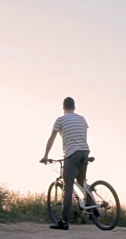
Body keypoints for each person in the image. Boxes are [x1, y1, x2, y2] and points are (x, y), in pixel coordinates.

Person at [40, 96, 90, 230]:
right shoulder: (82, 119)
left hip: (72, 154)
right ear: (74, 107)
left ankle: (63, 221)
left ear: (63, 107)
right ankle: (94, 210)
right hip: (85, 151)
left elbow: (52, 138)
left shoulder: (60, 120)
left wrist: (45, 156)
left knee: (67, 186)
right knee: (81, 181)